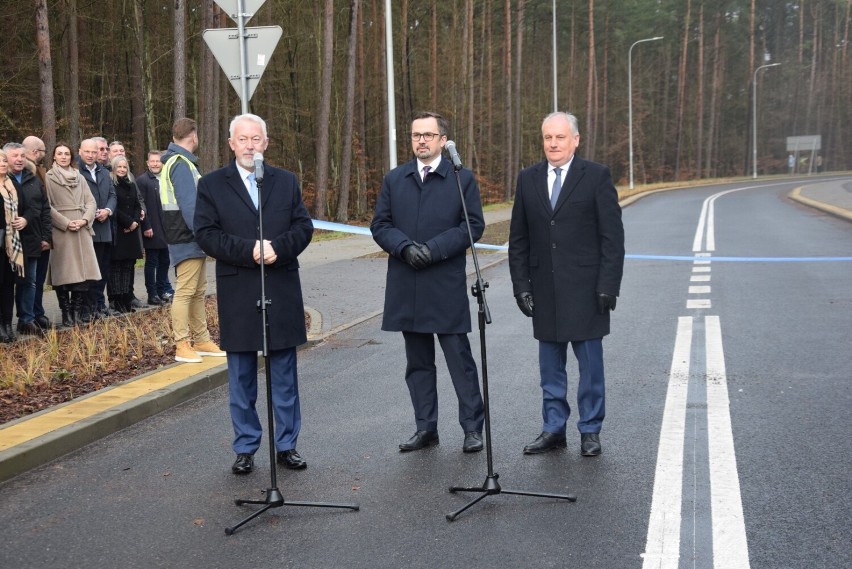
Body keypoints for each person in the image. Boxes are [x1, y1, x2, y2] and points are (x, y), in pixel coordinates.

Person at [194, 113, 314, 475]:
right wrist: (249, 250)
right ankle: (245, 447)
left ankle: (287, 445)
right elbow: (206, 234)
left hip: (281, 284)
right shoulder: (213, 185)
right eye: (243, 139)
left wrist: (279, 246)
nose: (250, 146)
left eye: (256, 139)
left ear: (266, 142)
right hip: (239, 289)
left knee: (284, 374)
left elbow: (303, 227)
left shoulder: (285, 181)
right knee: (242, 375)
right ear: (231, 143)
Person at [508, 111, 624, 457]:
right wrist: (521, 286)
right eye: (548, 137)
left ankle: (590, 430)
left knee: (590, 368)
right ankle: (553, 428)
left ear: (575, 140)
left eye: (560, 137)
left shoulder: (596, 176)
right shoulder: (527, 179)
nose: (553, 144)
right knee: (550, 369)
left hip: (588, 290)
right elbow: (519, 238)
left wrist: (608, 285)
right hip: (544, 289)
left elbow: (612, 238)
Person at [370, 111, 486, 454]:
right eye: (416, 135)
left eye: (428, 135)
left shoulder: (460, 178)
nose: (421, 140)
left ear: (442, 140)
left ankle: (472, 428)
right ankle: (426, 428)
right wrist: (404, 247)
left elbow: (472, 226)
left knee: (459, 360)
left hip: (444, 282)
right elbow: (381, 225)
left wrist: (433, 250)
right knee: (417, 363)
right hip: (407, 282)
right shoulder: (395, 179)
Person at [159, 117, 224, 362]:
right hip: (186, 236)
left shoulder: (177, 162)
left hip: (185, 235)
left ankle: (202, 339)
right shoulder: (180, 164)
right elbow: (189, 206)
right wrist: (204, 235)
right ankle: (182, 344)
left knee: (198, 290)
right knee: (186, 291)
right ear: (193, 136)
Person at [43, 143, 101, 326]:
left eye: (66, 154)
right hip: (62, 231)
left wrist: (84, 220)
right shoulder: (48, 177)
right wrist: (65, 223)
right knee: (63, 274)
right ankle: (66, 312)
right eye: (59, 153)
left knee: (83, 274)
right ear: (53, 156)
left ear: (71, 157)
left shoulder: (79, 177)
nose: (63, 157)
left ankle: (76, 311)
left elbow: (91, 202)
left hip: (82, 229)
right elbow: (47, 206)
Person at [3, 142, 52, 336]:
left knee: (29, 282)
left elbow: (43, 209)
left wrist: (45, 236)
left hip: (31, 238)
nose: (19, 159)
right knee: (7, 284)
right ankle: (5, 322)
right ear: (4, 158)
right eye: (14, 156)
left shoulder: (33, 179)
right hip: (8, 242)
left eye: (22, 156)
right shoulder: (3, 180)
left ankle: (27, 319)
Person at [78, 138, 116, 320]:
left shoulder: (104, 172)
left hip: (104, 227)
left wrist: (108, 210)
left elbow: (112, 195)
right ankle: (86, 308)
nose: (91, 155)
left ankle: (97, 305)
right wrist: (91, 214)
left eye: (94, 152)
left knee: (102, 269)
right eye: (88, 152)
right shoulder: (76, 171)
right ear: (80, 152)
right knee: (87, 272)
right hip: (86, 229)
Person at [136, 150, 173, 305]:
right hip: (151, 228)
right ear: (148, 163)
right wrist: (146, 226)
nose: (156, 164)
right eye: (153, 161)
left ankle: (161, 290)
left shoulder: (166, 179)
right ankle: (152, 294)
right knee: (152, 263)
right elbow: (141, 205)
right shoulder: (143, 181)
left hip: (166, 229)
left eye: (158, 161)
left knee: (165, 261)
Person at [107, 156, 143, 313]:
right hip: (119, 230)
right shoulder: (111, 185)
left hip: (132, 232)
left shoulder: (131, 185)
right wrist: (128, 223)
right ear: (114, 168)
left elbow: (137, 205)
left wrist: (135, 222)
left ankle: (127, 299)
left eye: (124, 167)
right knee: (117, 267)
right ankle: (118, 300)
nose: (122, 169)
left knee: (128, 266)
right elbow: (115, 207)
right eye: (119, 167)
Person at [22, 136, 51, 329]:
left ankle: (37, 312)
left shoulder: (38, 173)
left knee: (38, 279)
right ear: (35, 152)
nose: (43, 156)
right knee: (29, 281)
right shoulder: (24, 175)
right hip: (29, 235)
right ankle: (27, 316)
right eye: (43, 152)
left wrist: (47, 236)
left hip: (41, 234)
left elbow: (45, 207)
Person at [0, 149, 25, 342]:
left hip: (11, 242)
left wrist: (23, 219)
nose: (2, 163)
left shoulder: (12, 184)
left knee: (9, 284)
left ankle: (8, 325)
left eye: (3, 160)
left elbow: (24, 207)